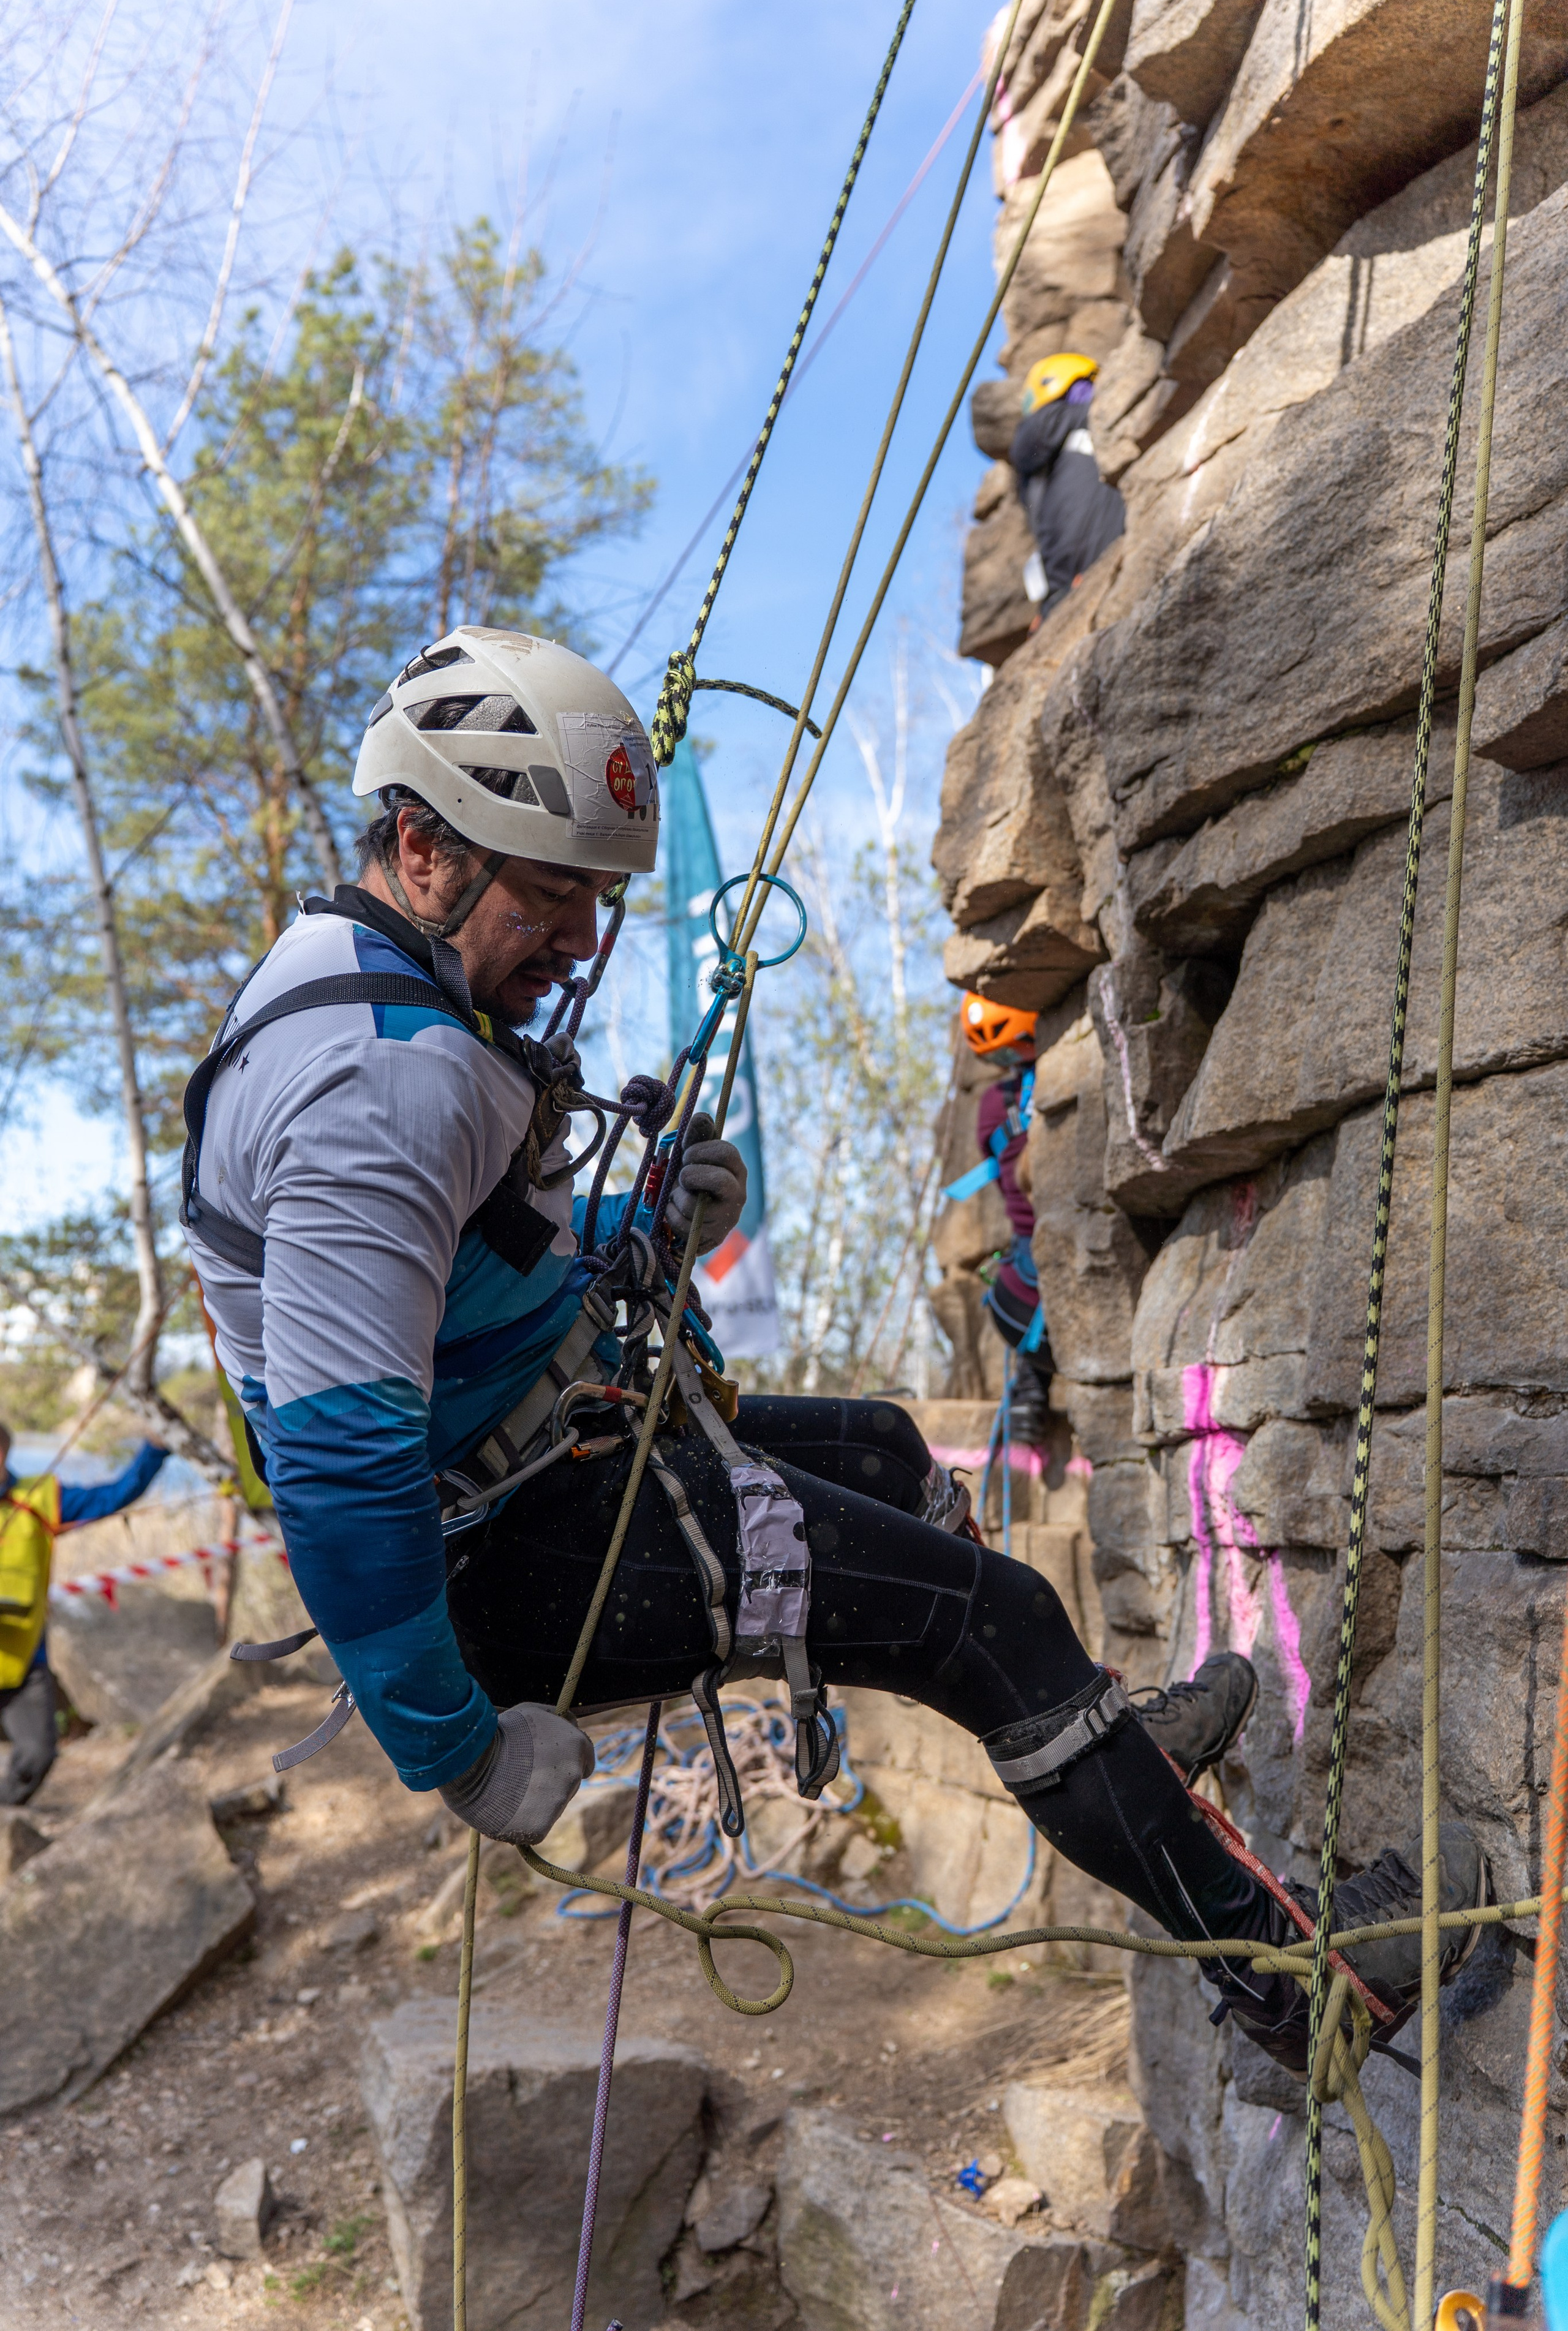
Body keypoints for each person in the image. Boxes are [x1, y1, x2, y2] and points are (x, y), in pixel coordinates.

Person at [183, 627, 1485, 2078]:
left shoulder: (376, 986)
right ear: (424, 847)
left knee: (877, 1444)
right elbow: (342, 1457)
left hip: (540, 1468)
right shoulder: (377, 1080)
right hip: (503, 1557)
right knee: (981, 1617)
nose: (577, 941)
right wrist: (458, 1751)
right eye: (553, 893)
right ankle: (1296, 1983)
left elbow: (445, 1261)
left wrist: (635, 1212)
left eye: (597, 899)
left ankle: (1099, 1750)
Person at [0, 1423, 171, 1802]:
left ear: (5, 1451)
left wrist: (154, 1451)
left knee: (38, 1753)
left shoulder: (40, 1496)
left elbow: (114, 1495)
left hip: (24, 1663)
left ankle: (6, 1816)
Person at [948, 994, 1054, 1447]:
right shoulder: (1057, 1074)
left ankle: (1031, 1390)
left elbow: (998, 1168)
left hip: (1017, 1299)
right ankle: (1032, 1386)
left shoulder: (995, 1102)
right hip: (1037, 1297)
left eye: (1013, 1051)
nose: (1010, 1061)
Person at [1009, 352, 1126, 625]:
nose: (1090, 394)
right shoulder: (1060, 426)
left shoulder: (1040, 461)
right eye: (1083, 387)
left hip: (1073, 580)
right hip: (1085, 571)